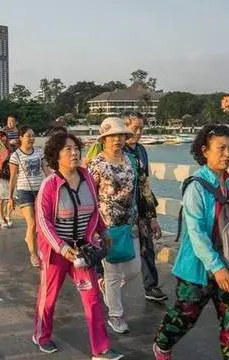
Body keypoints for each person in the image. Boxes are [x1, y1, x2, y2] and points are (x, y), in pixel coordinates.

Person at [153, 125, 229, 360]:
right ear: (205, 150)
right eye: (221, 148)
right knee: (186, 314)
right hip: (198, 265)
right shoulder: (195, 186)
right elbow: (196, 233)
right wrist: (216, 267)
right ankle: (162, 344)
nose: (227, 154)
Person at [33, 131, 124, 360]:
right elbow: (42, 222)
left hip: (83, 251)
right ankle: (41, 335)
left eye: (76, 148)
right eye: (68, 149)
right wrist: (61, 247)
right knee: (49, 297)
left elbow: (94, 208)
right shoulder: (50, 185)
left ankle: (100, 349)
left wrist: (103, 231)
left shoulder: (86, 178)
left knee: (92, 298)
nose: (74, 153)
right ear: (56, 156)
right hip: (57, 253)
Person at [88, 117, 141, 335]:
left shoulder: (132, 160)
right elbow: (90, 195)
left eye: (120, 135)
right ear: (104, 139)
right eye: (111, 136)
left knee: (134, 269)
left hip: (129, 224)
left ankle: (109, 292)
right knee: (112, 272)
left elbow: (141, 188)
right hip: (106, 225)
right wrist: (92, 227)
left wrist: (148, 218)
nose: (117, 140)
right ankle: (116, 315)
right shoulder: (96, 164)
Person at [123, 112, 167, 302]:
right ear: (125, 127)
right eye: (135, 128)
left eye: (141, 128)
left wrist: (152, 216)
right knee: (115, 247)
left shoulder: (141, 151)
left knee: (147, 245)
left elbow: (144, 183)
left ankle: (151, 286)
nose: (139, 132)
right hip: (121, 208)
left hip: (141, 206)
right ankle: (103, 279)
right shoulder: (117, 150)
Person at [9, 126, 50, 267]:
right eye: (28, 136)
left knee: (41, 224)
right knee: (32, 224)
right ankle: (33, 253)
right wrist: (10, 197)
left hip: (40, 190)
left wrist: (55, 183)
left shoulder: (39, 152)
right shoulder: (15, 156)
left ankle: (32, 240)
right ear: (21, 138)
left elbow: (46, 170)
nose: (31, 138)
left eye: (33, 136)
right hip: (24, 192)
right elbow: (13, 177)